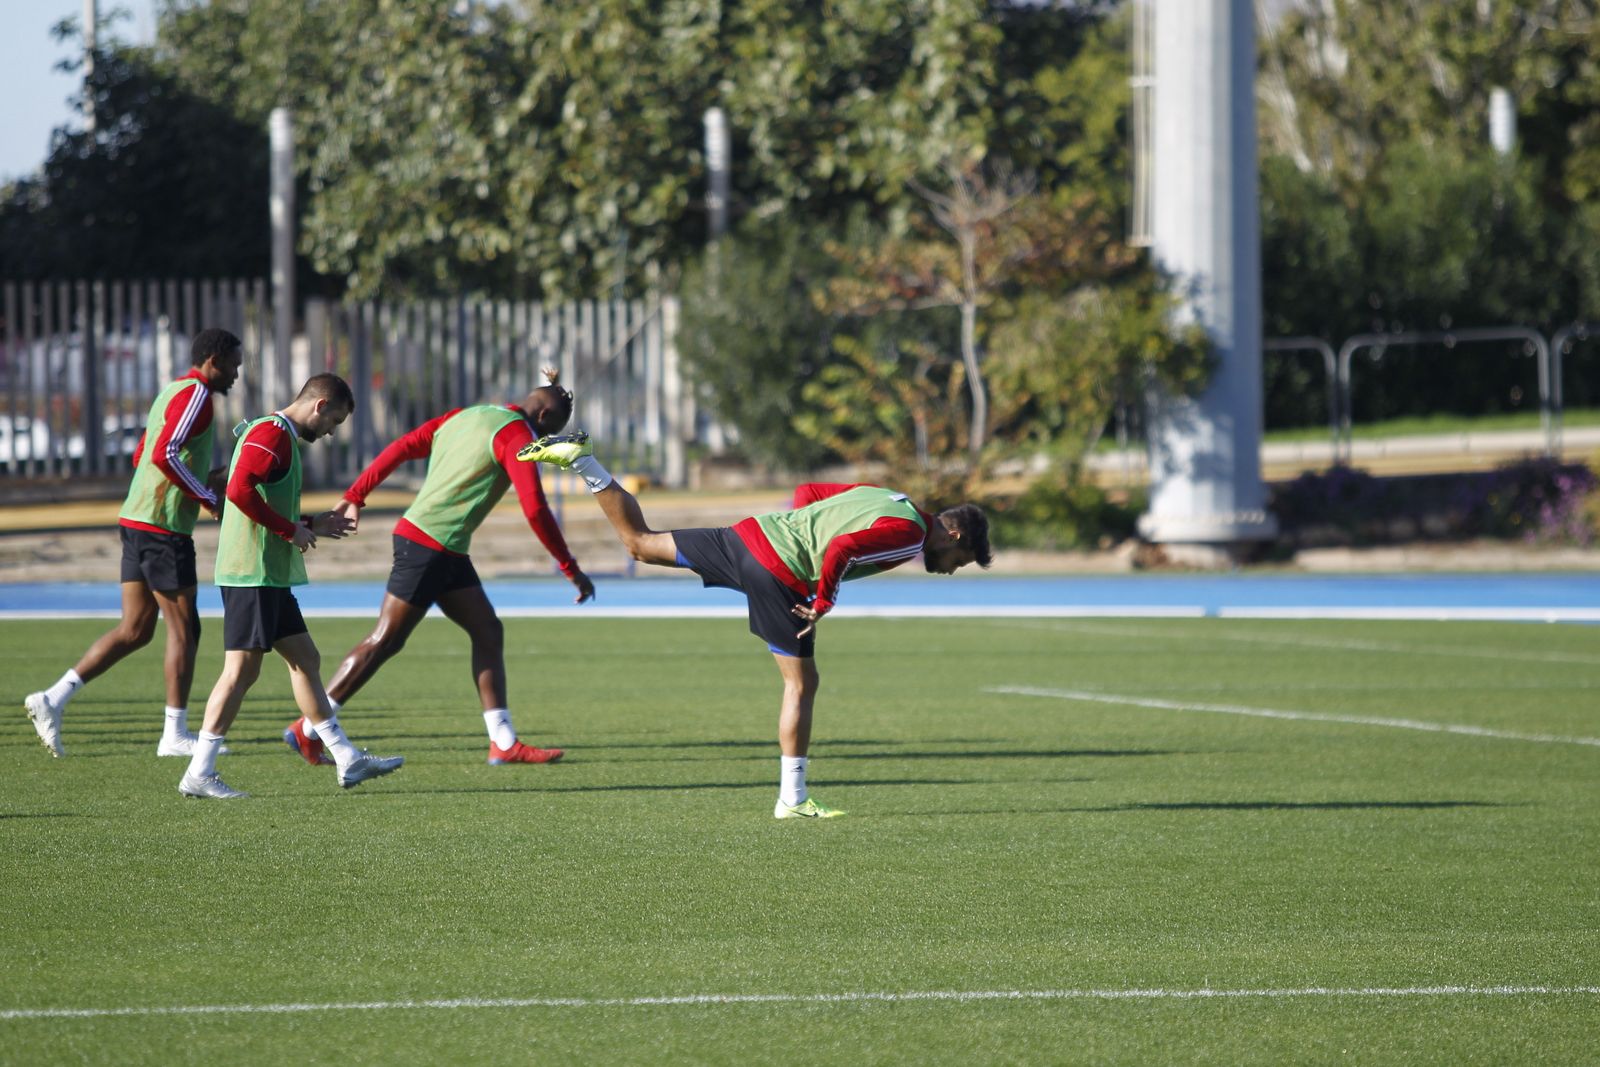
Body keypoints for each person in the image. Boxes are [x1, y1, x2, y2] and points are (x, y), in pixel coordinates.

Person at [519, 430, 992, 819]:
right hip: (778, 569)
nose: (952, 567)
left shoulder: (888, 496)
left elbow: (808, 494)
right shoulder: (911, 536)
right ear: (953, 534)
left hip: (748, 536)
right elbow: (840, 550)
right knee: (801, 685)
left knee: (641, 544)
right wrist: (823, 599)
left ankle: (582, 460)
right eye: (960, 559)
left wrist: (793, 532)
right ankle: (793, 798)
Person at [280, 368, 595, 769]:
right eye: (551, 432)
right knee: (384, 640)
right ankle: (308, 728)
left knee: (486, 630)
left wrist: (357, 492)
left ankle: (503, 742)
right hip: (427, 545)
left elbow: (403, 446)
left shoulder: (467, 415)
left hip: (445, 549)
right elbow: (534, 506)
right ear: (546, 419)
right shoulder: (518, 437)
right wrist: (571, 567)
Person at [178, 373, 403, 798]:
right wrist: (289, 531)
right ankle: (199, 772)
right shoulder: (272, 434)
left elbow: (257, 497)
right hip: (252, 574)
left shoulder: (277, 436)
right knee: (240, 673)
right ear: (318, 406)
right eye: (333, 421)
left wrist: (311, 524)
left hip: (267, 574)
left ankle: (345, 756)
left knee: (305, 658)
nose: (332, 431)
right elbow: (239, 491)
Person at [24, 328, 242, 759]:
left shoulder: (172, 391)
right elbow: (164, 454)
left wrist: (198, 480)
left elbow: (141, 452)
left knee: (136, 630)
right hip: (161, 528)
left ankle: (53, 698)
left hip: (138, 519)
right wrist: (206, 495)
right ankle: (175, 735)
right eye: (233, 364)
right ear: (213, 359)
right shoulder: (198, 395)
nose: (236, 373)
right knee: (185, 629)